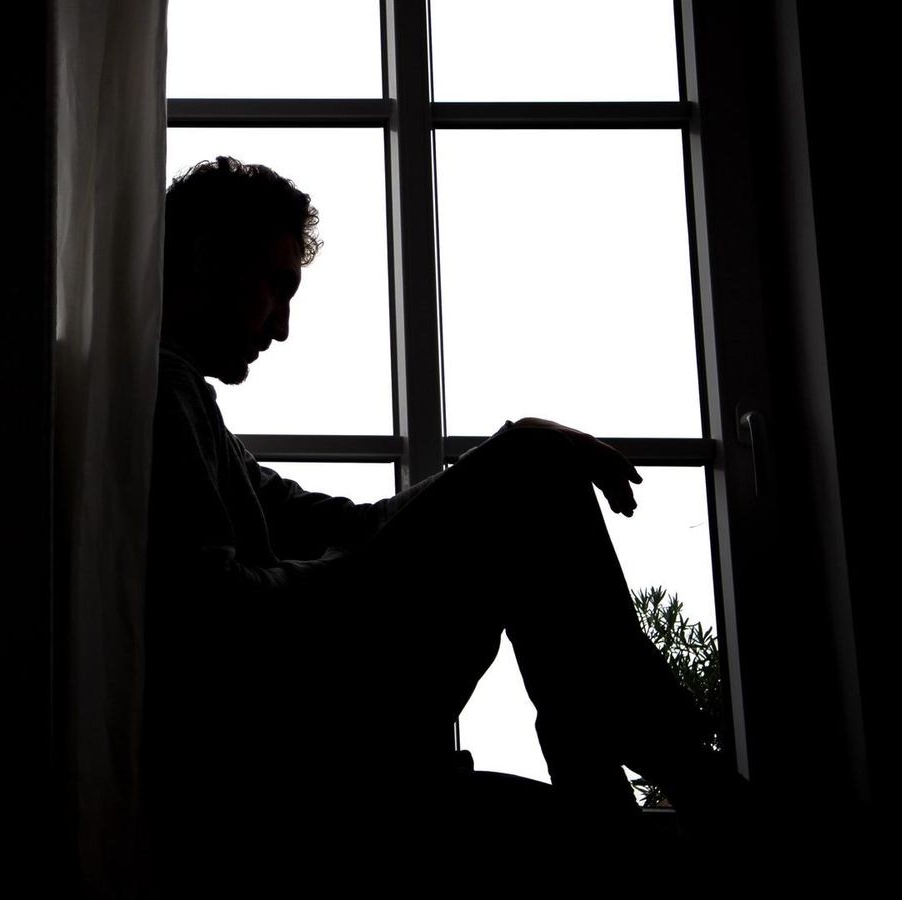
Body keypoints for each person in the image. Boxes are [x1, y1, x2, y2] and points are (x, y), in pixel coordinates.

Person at [141, 156, 756, 890]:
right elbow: (214, 612)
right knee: (534, 478)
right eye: (277, 287)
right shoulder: (163, 390)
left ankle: (641, 793)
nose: (282, 327)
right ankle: (680, 783)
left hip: (306, 709)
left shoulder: (182, 397)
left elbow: (344, 523)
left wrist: (491, 465)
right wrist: (492, 475)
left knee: (530, 475)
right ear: (208, 258)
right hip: (287, 735)